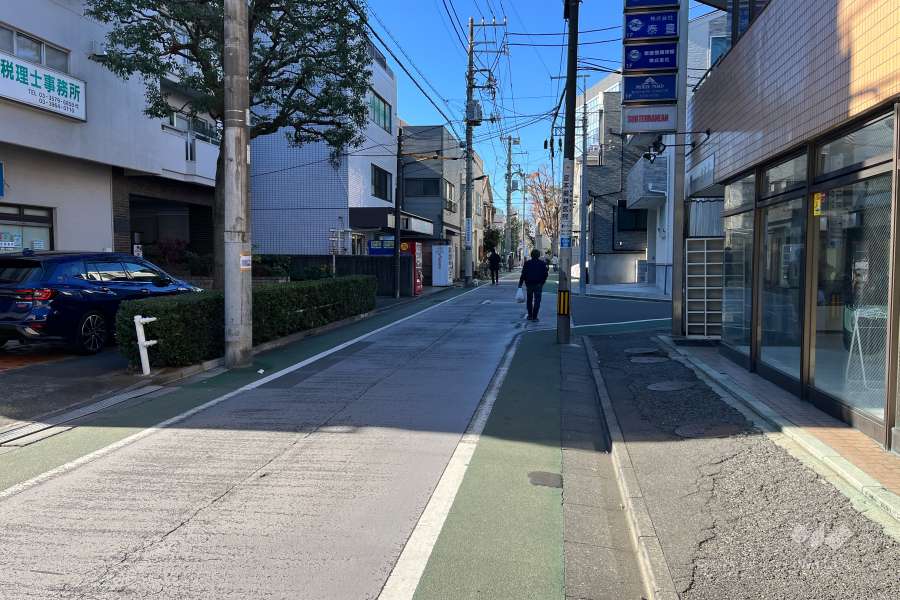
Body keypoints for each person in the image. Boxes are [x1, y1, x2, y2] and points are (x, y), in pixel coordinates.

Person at [519, 249, 549, 321]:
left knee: (529, 299)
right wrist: (542, 282)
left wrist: (520, 283)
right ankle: (535, 317)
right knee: (537, 300)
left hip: (529, 284)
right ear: (538, 255)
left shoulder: (527, 263)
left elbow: (523, 274)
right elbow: (545, 274)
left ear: (531, 255)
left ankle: (530, 315)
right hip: (538, 284)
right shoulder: (542, 264)